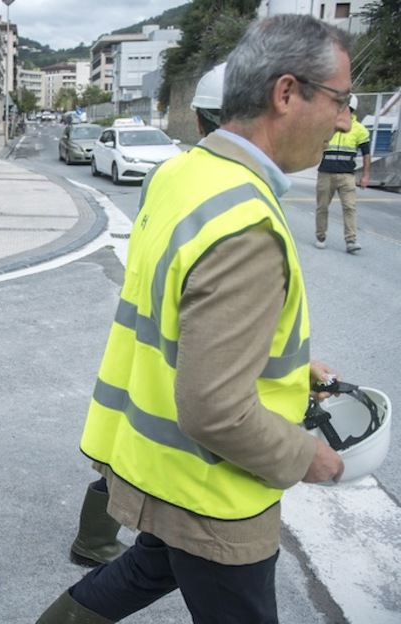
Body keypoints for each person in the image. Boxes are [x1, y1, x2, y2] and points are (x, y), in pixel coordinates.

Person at [37, 14, 349, 623]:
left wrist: (286, 366)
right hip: (214, 492)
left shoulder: (181, 174)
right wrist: (307, 457)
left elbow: (176, 312)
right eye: (339, 100)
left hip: (160, 463)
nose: (345, 119)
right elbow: (216, 410)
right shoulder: (247, 222)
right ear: (286, 93)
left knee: (146, 568)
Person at [66, 61, 229, 572]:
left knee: (126, 440)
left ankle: (94, 536)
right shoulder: (227, 186)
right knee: (154, 450)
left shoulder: (169, 173)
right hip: (183, 341)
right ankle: (104, 540)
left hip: (140, 330)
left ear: (198, 121)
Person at [315, 93, 371, 254]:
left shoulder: (359, 130)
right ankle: (320, 236)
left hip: (347, 175)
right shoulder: (326, 126)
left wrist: (365, 175)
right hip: (326, 173)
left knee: (349, 207)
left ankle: (351, 240)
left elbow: (366, 154)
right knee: (322, 207)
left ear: (351, 110)